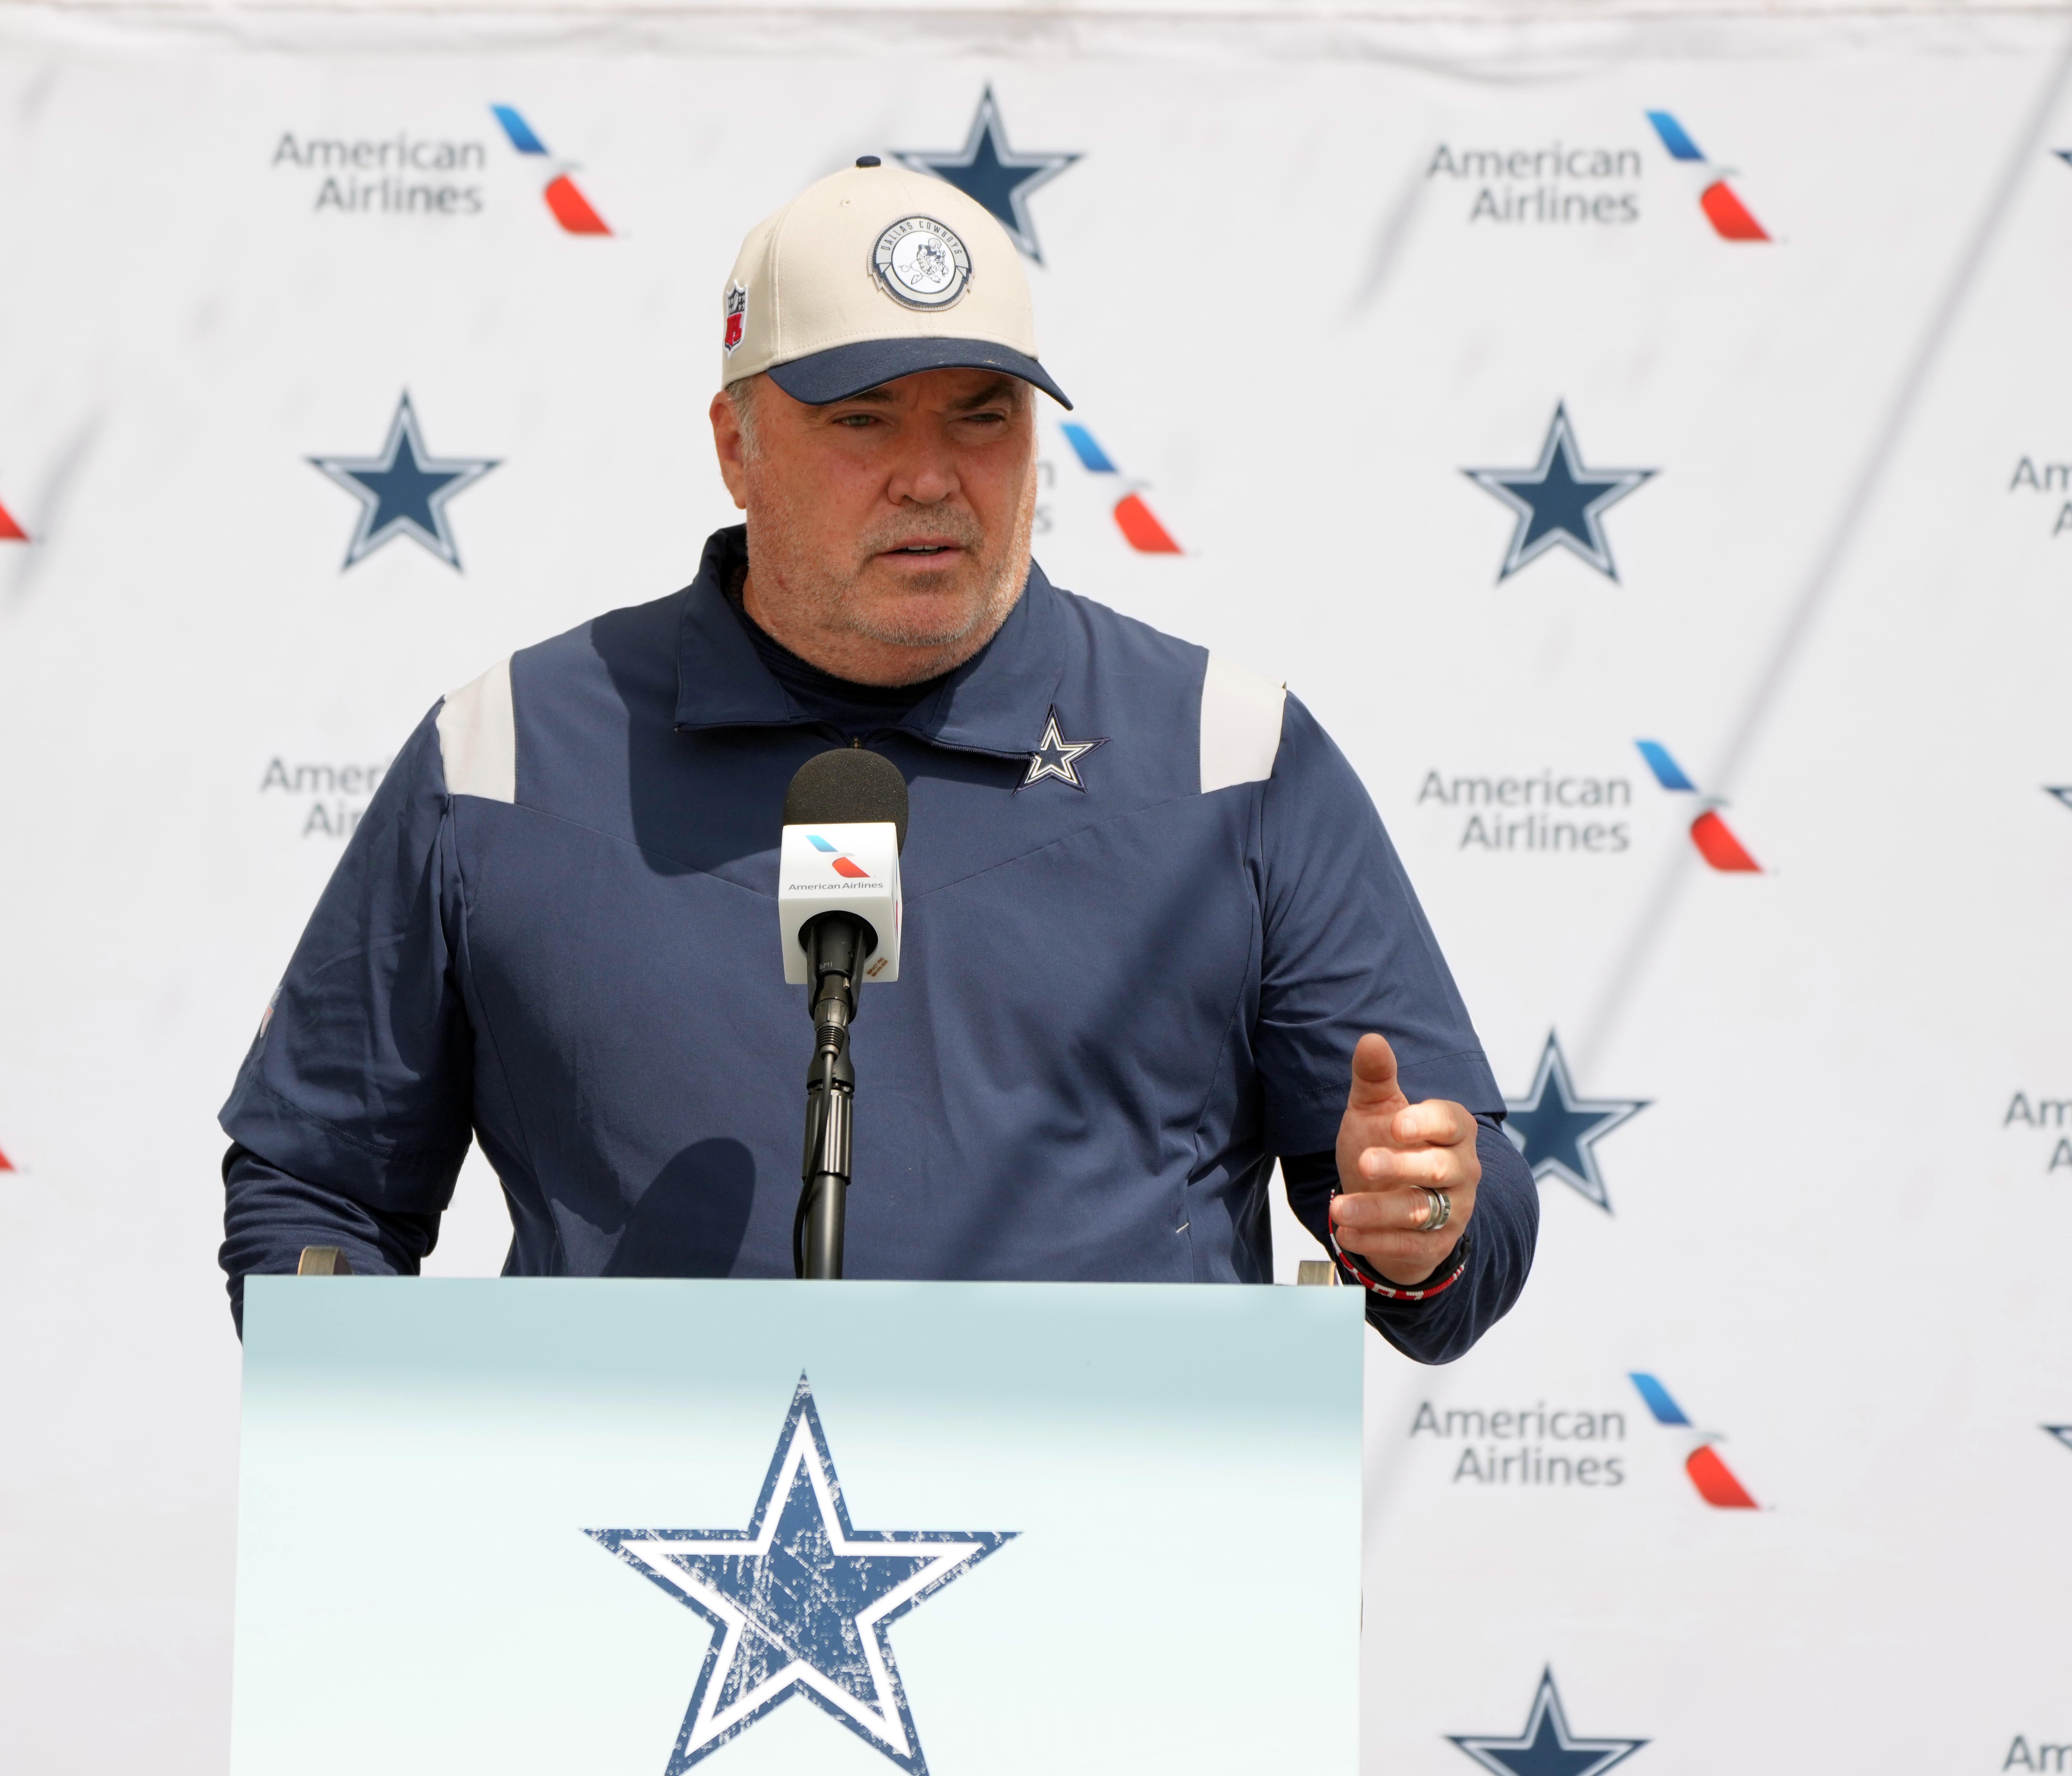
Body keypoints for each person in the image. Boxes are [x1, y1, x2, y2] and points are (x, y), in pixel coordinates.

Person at [219, 161, 1537, 1360]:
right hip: (627, 1591)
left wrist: (1420, 1229)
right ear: (737, 443)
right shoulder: (504, 756)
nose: (932, 477)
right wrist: (366, 1460)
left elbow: (1454, 1233)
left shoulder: (1230, 758)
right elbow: (318, 1187)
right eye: (863, 420)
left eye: (982, 417)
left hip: (1124, 1596)